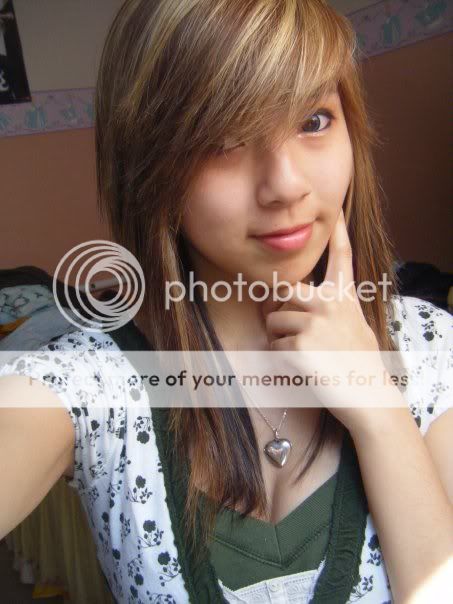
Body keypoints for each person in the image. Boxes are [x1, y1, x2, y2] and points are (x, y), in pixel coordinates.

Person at [0, 1, 452, 603]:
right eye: (223, 140)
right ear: (149, 165)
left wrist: (380, 412)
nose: (286, 185)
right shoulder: (97, 383)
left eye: (314, 120)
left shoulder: (426, 347)